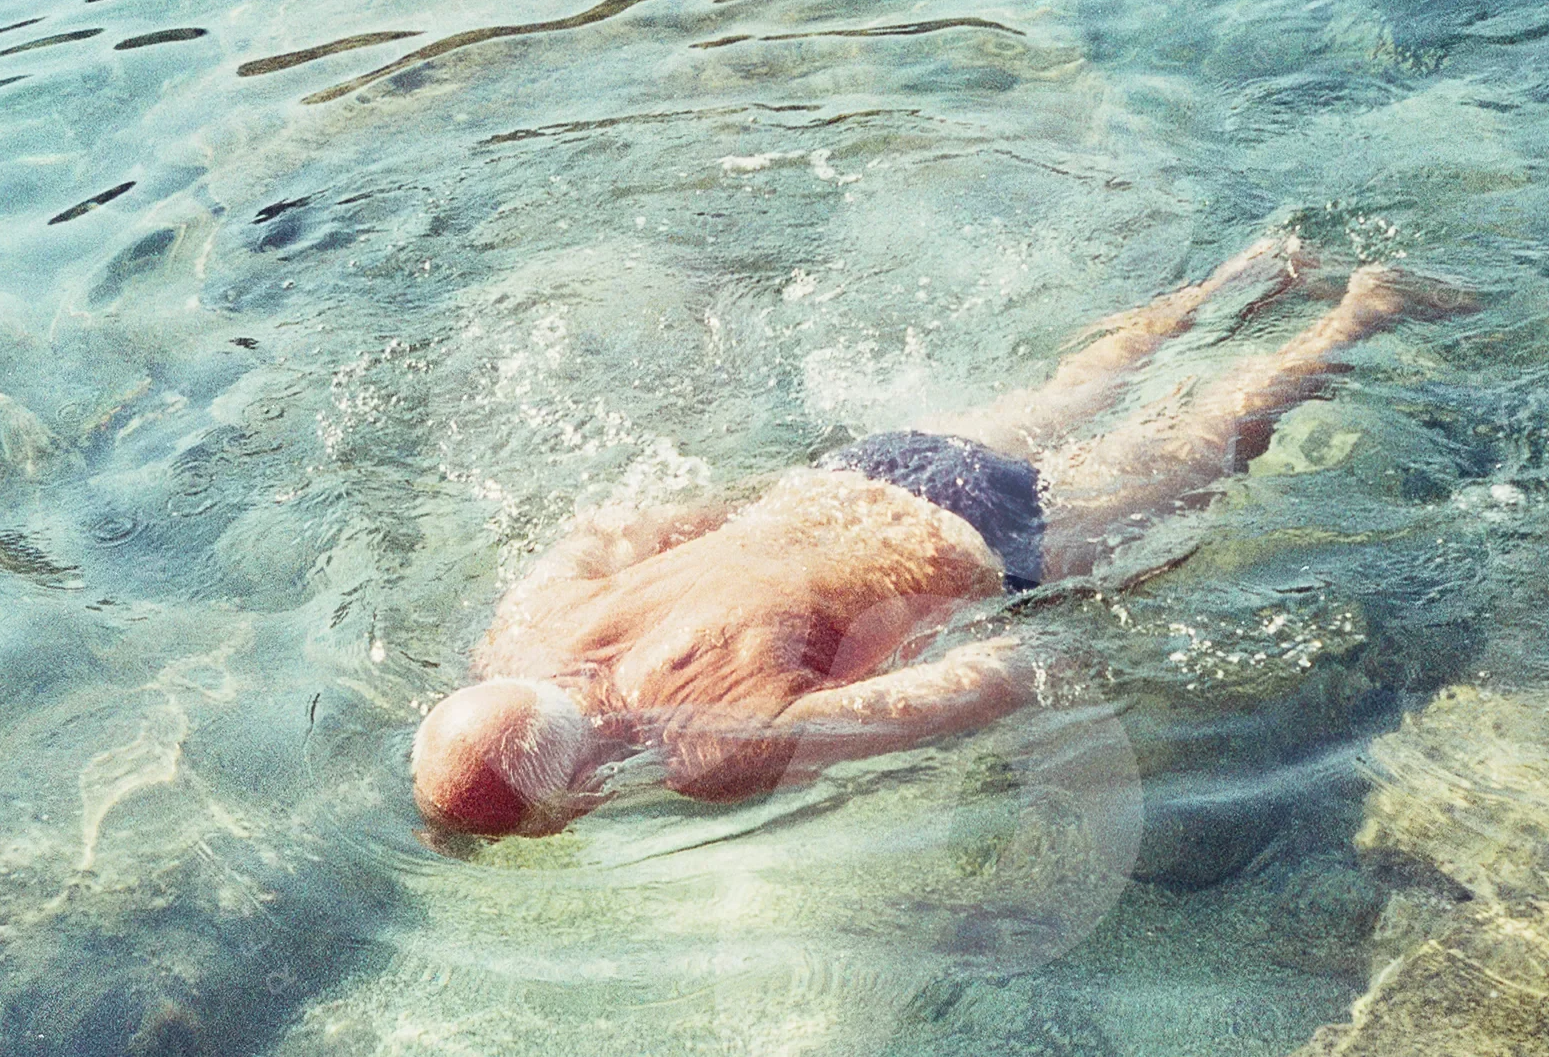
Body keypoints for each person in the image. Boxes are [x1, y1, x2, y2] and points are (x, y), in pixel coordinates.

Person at [412, 236, 1457, 837]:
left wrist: (1085, 645)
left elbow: (996, 672)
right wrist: (749, 536)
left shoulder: (712, 748)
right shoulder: (525, 633)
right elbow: (619, 524)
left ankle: (1364, 309)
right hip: (860, 471)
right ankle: (1256, 268)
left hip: (983, 533)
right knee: (1073, 384)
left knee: (1209, 433)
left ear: (583, 789)